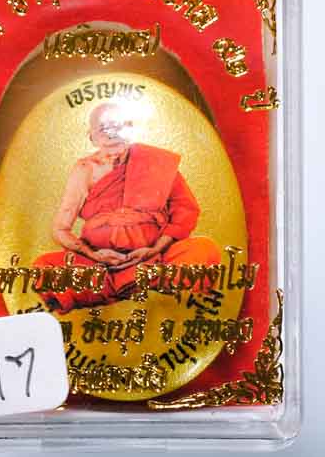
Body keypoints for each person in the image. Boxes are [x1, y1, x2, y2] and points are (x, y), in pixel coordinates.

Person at [35, 102, 221, 313]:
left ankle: (131, 285)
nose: (112, 134)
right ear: (92, 136)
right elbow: (60, 229)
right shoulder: (84, 169)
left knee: (204, 249)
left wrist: (154, 249)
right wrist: (94, 255)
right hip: (101, 265)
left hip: (156, 258)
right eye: (104, 129)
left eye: (119, 126)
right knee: (45, 267)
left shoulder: (156, 162)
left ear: (131, 129)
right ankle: (128, 285)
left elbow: (185, 209)